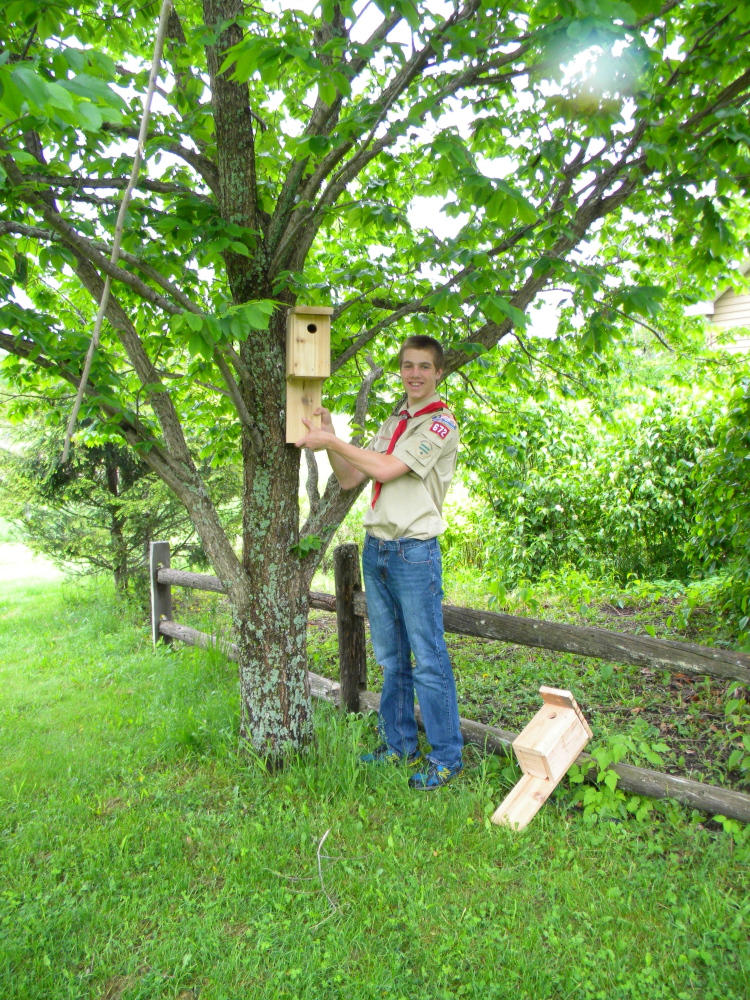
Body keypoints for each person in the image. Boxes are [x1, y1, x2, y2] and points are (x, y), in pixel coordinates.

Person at [295, 334, 463, 790]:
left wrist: (331, 438)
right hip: (379, 549)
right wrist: (332, 436)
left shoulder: (439, 424)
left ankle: (446, 757)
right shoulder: (395, 421)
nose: (414, 374)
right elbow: (351, 476)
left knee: (428, 658)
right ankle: (399, 746)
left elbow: (387, 470)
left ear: (438, 372)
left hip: (414, 552)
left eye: (424, 366)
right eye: (407, 365)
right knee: (391, 657)